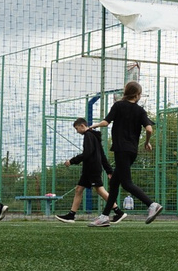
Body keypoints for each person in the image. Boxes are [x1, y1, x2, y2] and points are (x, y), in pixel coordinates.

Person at [98, 80, 163, 225]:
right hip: (132, 150)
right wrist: (146, 142)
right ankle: (104, 217)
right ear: (138, 95)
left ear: (127, 92)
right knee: (114, 183)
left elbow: (106, 122)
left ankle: (152, 205)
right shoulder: (140, 111)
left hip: (121, 149)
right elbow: (149, 129)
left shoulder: (118, 106)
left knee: (126, 183)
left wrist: (94, 125)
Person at [61, 116, 106, 220]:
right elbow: (101, 155)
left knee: (99, 190)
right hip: (88, 169)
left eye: (77, 129)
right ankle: (71, 215)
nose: (77, 131)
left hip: (92, 168)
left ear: (82, 126)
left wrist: (72, 161)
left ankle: (118, 211)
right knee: (79, 189)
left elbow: (87, 153)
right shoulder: (93, 136)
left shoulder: (89, 135)